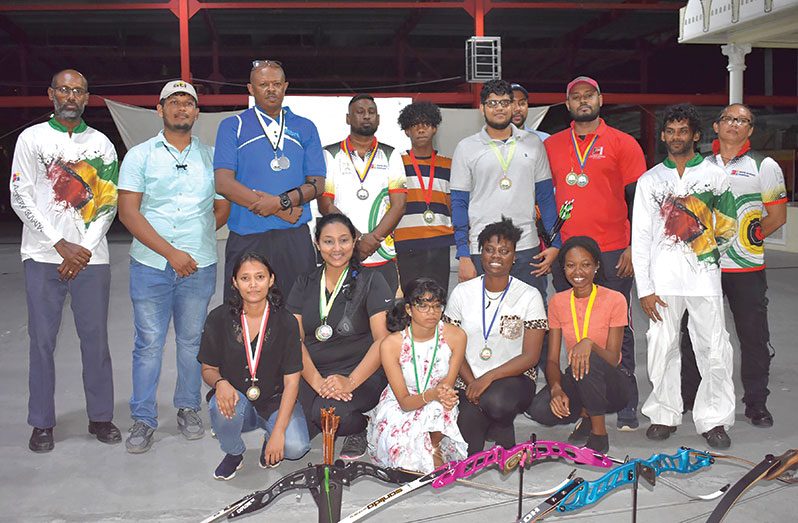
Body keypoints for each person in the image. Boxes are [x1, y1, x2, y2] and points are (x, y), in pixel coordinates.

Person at [11, 69, 121, 452]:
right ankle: (42, 423)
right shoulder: (32, 139)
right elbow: (19, 195)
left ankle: (101, 417)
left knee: (96, 341)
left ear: (87, 97)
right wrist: (59, 244)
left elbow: (108, 203)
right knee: (41, 342)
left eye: (78, 90)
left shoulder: (102, 144)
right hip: (43, 256)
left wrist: (82, 249)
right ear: (51, 94)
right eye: (63, 89)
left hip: (92, 258)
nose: (70, 96)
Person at [118, 80, 230, 453]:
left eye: (188, 103)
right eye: (174, 102)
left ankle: (187, 408)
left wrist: (194, 241)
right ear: (160, 109)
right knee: (148, 343)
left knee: (191, 342)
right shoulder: (140, 155)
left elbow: (221, 206)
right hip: (150, 265)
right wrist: (171, 252)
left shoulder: (212, 156)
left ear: (197, 112)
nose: (181, 109)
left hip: (198, 265)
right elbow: (129, 212)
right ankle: (143, 418)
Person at [543, 75, 646, 430]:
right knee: (572, 327)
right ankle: (587, 403)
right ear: (567, 104)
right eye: (576, 97)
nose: (583, 101)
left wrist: (634, 244)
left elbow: (638, 200)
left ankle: (627, 399)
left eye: (589, 95)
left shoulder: (623, 143)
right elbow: (542, 200)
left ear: (601, 99)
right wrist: (551, 246)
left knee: (619, 326)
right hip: (567, 254)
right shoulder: (553, 145)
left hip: (614, 249)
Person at [632, 103, 737, 449]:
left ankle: (714, 419)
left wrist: (705, 258)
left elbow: (728, 228)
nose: (677, 137)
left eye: (684, 131)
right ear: (663, 136)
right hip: (661, 282)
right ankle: (664, 414)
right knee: (662, 347)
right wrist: (645, 288)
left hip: (704, 279)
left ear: (695, 135)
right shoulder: (650, 180)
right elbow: (642, 238)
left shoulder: (715, 176)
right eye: (671, 131)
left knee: (714, 348)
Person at [680, 104, 787, 427]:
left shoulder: (763, 166)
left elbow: (777, 217)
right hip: (704, 268)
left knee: (753, 337)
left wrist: (748, 239)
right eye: (728, 119)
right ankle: (690, 396)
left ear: (750, 130)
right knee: (694, 334)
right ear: (716, 126)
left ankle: (756, 403)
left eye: (742, 121)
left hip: (747, 269)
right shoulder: (700, 164)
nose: (734, 124)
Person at [214, 60, 325, 300]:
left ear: (285, 87)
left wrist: (281, 202)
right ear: (251, 89)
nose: (271, 89)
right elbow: (223, 183)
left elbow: (317, 184)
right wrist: (279, 209)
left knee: (299, 311)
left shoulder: (305, 127)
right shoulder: (233, 126)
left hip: (294, 237)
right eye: (263, 84)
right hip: (247, 236)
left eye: (276, 84)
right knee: (241, 312)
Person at [287, 213, 393, 459]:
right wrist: (316, 382)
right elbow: (295, 340)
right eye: (328, 241)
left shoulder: (371, 280)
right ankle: (324, 412)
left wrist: (350, 381)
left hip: (361, 373)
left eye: (344, 240)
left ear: (355, 241)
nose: (337, 248)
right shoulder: (304, 282)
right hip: (313, 373)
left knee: (329, 412)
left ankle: (361, 426)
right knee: (288, 448)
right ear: (317, 244)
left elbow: (382, 341)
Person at [198, 253, 310, 480]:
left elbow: (292, 382)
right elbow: (208, 368)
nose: (253, 285)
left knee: (296, 447)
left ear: (271, 280)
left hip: (276, 399)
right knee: (220, 409)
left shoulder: (286, 321)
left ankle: (269, 435)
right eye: (245, 278)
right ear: (234, 282)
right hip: (237, 398)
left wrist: (278, 432)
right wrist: (220, 383)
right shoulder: (218, 318)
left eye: (259, 277)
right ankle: (234, 452)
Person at [451, 79, 559, 304]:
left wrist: (554, 243)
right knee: (483, 317)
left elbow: (546, 198)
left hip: (527, 247)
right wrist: (463, 252)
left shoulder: (533, 144)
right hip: (482, 249)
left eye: (504, 102)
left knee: (533, 315)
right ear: (482, 108)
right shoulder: (466, 147)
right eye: (492, 103)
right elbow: (459, 204)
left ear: (513, 106)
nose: (499, 108)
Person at [444, 218, 547, 455]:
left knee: (497, 402)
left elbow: (531, 356)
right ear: (481, 254)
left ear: (514, 256)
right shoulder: (462, 292)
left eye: (504, 251)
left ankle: (501, 420)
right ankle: (491, 424)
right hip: (467, 377)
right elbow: (449, 346)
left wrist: (487, 379)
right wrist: (472, 382)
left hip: (514, 378)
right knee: (469, 451)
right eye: (489, 250)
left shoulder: (529, 296)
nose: (496, 256)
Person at [526, 237, 630, 454]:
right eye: (571, 265)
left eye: (586, 264)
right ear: (563, 268)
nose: (578, 271)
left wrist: (589, 344)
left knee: (588, 358)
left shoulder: (615, 299)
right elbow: (553, 359)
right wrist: (555, 390)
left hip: (612, 382)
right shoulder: (558, 302)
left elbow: (612, 357)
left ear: (597, 266)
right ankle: (587, 415)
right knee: (539, 409)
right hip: (577, 374)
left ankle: (599, 435)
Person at [367, 278, 467, 472]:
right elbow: (404, 402)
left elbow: (447, 386)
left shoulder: (457, 336)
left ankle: (434, 446)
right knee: (402, 459)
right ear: (408, 309)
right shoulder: (391, 344)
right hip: (401, 401)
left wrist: (440, 395)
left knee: (439, 408)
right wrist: (432, 394)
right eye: (422, 305)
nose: (431, 312)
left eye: (437, 305)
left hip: (438, 400)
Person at [318, 94, 407, 295]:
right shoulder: (330, 154)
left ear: (378, 119)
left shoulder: (391, 154)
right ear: (348, 118)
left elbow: (399, 205)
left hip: (381, 251)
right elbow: (326, 204)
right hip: (342, 252)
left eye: (371, 112)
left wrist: (373, 239)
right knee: (342, 319)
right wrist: (357, 240)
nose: (366, 116)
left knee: (384, 320)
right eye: (359, 112)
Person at [394, 101, 454, 294]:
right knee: (411, 300)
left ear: (435, 128)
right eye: (414, 124)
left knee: (438, 299)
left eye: (426, 124)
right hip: (406, 242)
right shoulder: (396, 163)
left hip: (440, 242)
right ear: (406, 131)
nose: (420, 129)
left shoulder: (449, 164)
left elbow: (454, 205)